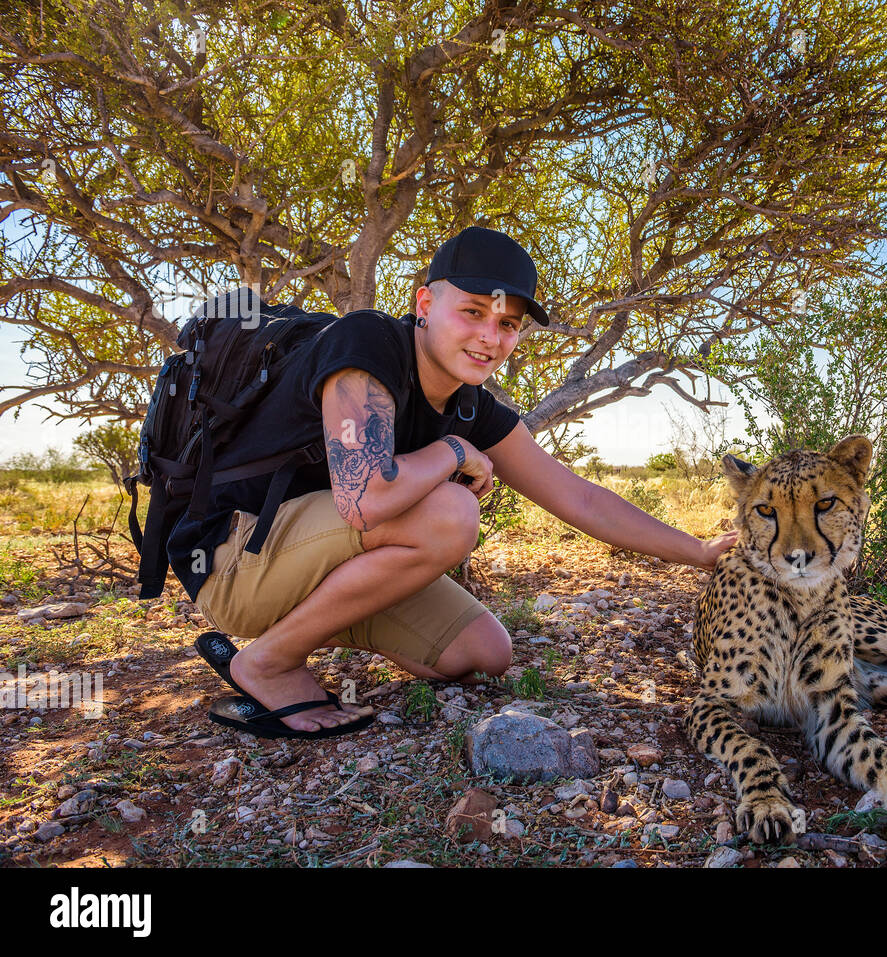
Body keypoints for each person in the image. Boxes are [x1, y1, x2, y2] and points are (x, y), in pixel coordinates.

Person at [176, 226, 738, 736]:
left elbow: (581, 498)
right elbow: (367, 498)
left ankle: (308, 625)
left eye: (508, 323)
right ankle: (267, 662)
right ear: (426, 303)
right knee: (450, 512)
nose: (491, 337)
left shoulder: (472, 406)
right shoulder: (367, 344)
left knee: (481, 652)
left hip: (310, 563)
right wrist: (452, 450)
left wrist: (699, 551)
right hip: (233, 560)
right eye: (473, 311)